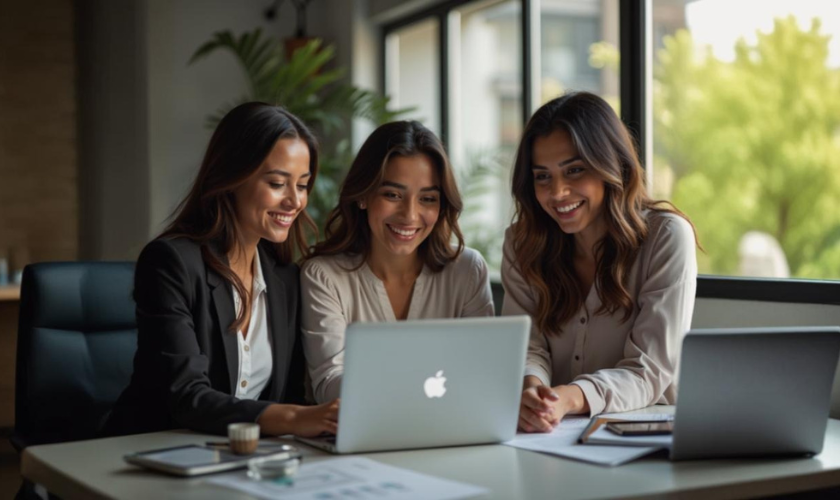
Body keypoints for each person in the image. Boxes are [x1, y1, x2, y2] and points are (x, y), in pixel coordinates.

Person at [105, 102, 338, 437]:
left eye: (302, 185)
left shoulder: (285, 278)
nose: (295, 201)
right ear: (232, 178)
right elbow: (187, 396)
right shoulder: (171, 263)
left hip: (244, 458)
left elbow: (289, 395)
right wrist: (294, 418)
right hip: (152, 449)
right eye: (277, 183)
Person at [502, 92, 698, 433]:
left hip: (644, 437)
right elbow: (526, 345)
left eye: (575, 170)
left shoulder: (666, 237)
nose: (557, 192)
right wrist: (535, 394)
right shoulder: (524, 243)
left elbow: (648, 370)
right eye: (542, 176)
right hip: (549, 436)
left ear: (612, 165)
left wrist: (569, 398)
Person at [301, 121, 495, 404]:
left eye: (427, 198)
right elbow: (328, 383)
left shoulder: (467, 270)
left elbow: (483, 371)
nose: (410, 215)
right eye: (392, 195)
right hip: (363, 428)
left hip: (451, 425)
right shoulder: (325, 276)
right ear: (363, 195)